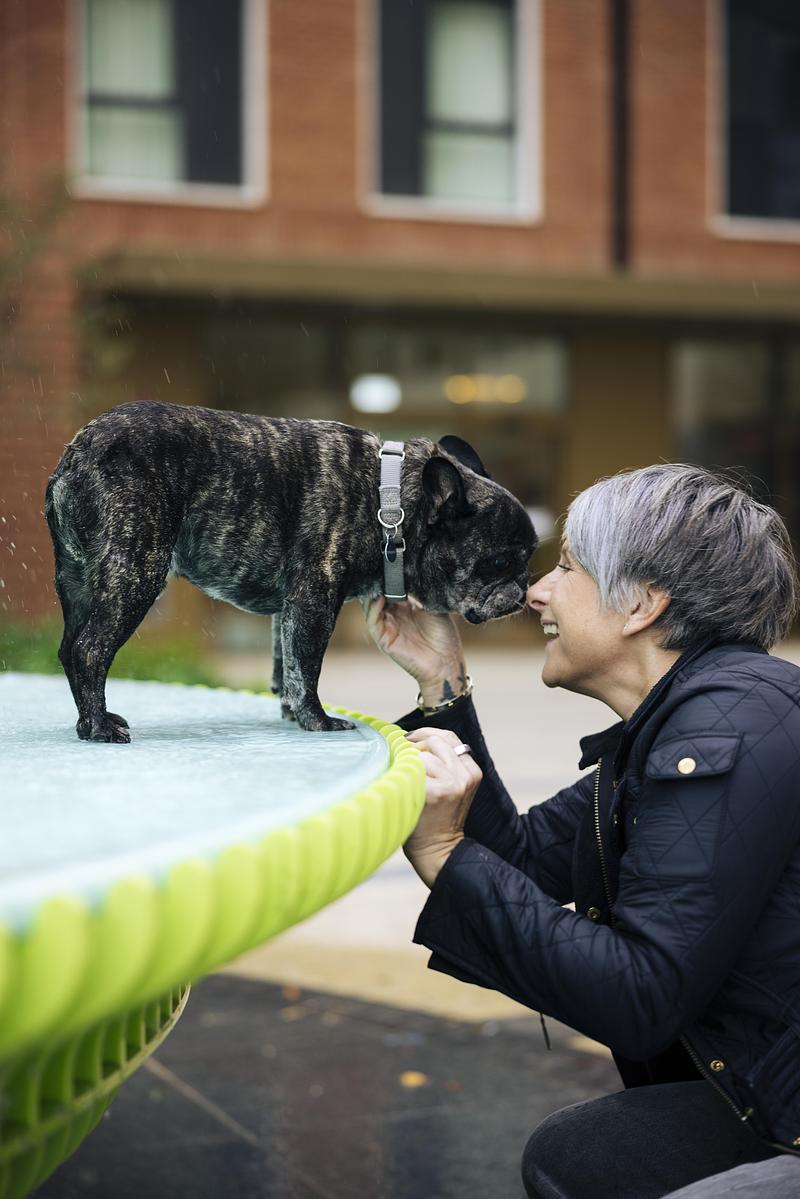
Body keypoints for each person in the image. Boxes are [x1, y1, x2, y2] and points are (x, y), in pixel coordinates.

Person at [365, 463, 800, 1199]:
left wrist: (441, 850)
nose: (536, 590)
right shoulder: (696, 715)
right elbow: (524, 856)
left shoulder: (730, 727)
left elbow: (640, 994)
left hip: (781, 1108)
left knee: (580, 1160)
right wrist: (442, 683)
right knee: (581, 1155)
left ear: (642, 604)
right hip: (768, 1079)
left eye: (565, 566)